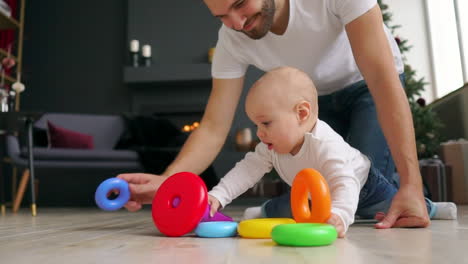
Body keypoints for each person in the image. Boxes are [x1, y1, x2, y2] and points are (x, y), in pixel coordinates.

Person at [119, 0, 437, 228]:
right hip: (309, 104)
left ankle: (413, 193)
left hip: (366, 85)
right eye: (221, 16)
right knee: (320, 199)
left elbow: (383, 83)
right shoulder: (232, 38)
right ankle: (394, 189)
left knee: (360, 185)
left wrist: (411, 182)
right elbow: (214, 127)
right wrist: (169, 182)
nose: (237, 24)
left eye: (241, 5)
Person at [206, 67, 456, 237]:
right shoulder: (271, 145)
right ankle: (266, 210)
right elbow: (247, 169)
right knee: (287, 211)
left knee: (392, 210)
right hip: (315, 196)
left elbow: (344, 182)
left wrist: (339, 215)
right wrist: (218, 196)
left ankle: (432, 207)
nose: (259, 133)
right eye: (256, 125)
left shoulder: (325, 143)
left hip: (365, 188)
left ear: (301, 114)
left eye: (266, 123)